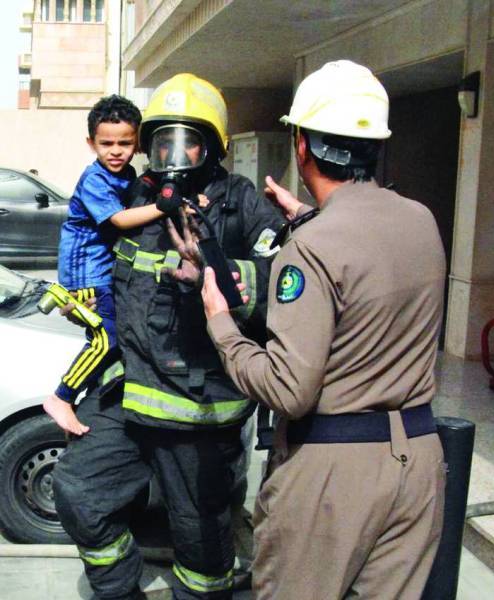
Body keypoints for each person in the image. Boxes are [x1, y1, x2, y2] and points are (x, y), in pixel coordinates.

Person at [200, 60, 447, 599]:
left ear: (303, 146)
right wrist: (308, 222)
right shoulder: (421, 219)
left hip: (333, 473)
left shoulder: (310, 249)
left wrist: (222, 325)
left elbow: (290, 388)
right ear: (374, 146)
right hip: (418, 464)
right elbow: (367, 272)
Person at [52, 74, 284, 600]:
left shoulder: (238, 203)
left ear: (213, 148)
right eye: (160, 142)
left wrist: (217, 271)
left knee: (200, 538)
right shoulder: (136, 195)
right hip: (130, 395)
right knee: (77, 490)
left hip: (198, 411)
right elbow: (91, 246)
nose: (171, 155)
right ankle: (118, 591)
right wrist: (78, 297)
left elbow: (286, 278)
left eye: (187, 141)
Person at [43, 95, 164, 436]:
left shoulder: (127, 175)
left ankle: (84, 404)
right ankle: (61, 397)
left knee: (109, 340)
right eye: (106, 143)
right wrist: (164, 207)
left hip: (102, 271)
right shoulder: (94, 179)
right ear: (90, 143)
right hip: (85, 274)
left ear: (137, 143)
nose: (115, 150)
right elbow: (121, 219)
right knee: (106, 337)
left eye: (125, 143)